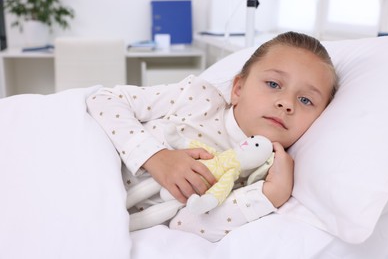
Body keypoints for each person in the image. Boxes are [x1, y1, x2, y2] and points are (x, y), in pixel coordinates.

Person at [86, 31, 338, 242]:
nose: (286, 103)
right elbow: (104, 99)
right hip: (85, 163)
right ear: (238, 89)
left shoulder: (259, 174)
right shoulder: (199, 98)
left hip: (96, 215)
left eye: (306, 100)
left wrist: (268, 196)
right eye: (273, 84)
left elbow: (186, 225)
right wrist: (155, 157)